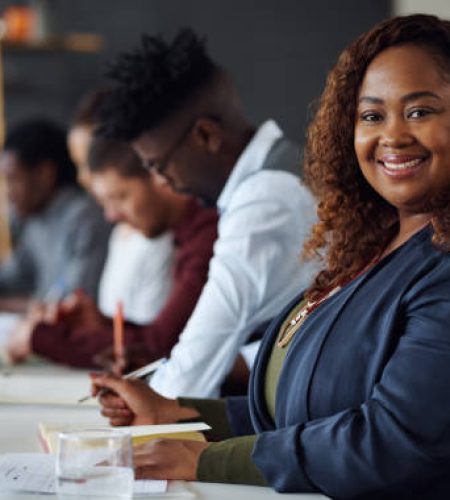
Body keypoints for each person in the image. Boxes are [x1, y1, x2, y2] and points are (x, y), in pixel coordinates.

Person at [92, 14, 450, 498]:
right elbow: (309, 406)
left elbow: (391, 442)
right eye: (371, 115)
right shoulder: (373, 244)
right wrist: (180, 414)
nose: (392, 136)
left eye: (419, 111)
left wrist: (207, 457)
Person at [97, 28, 317, 397]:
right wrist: (158, 372)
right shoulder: (276, 171)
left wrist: (152, 398)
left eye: (160, 165)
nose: (163, 182)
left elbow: (203, 354)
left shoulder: (265, 200)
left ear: (206, 136)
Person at [6, 136, 218, 368]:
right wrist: (103, 325)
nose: (112, 216)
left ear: (159, 174)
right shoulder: (186, 235)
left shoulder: (208, 236)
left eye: (120, 197)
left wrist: (40, 337)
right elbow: (168, 336)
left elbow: (160, 346)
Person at [67, 86, 175, 325]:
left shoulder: (160, 236)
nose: (83, 177)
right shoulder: (119, 233)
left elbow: (153, 341)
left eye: (91, 163)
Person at [0, 119, 110, 303]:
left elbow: (74, 301)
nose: (8, 193)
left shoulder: (83, 217)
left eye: (13, 179)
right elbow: (13, 275)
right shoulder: (34, 218)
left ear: (44, 173)